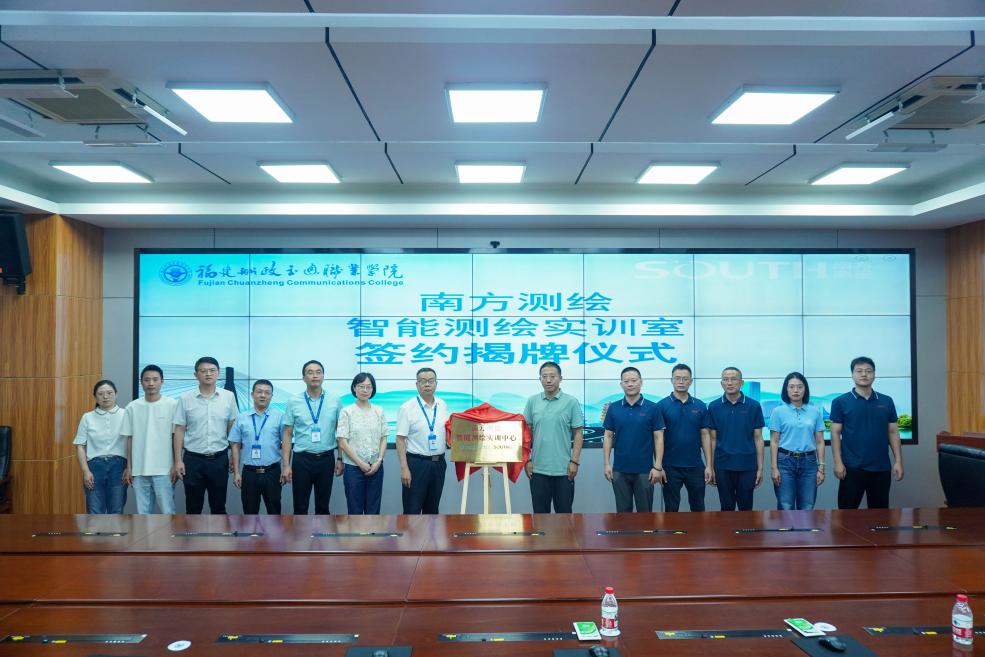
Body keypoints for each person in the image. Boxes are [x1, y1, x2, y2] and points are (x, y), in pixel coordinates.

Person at [830, 356, 903, 509]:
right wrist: (838, 462)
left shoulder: (886, 401)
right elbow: (835, 434)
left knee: (880, 514)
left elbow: (893, 432)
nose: (864, 374)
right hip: (852, 467)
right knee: (846, 514)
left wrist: (898, 461)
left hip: (881, 467)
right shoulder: (840, 402)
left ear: (874, 374)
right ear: (852, 374)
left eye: (869, 371)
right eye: (859, 371)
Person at [172, 356, 239, 514]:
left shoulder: (228, 397)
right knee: (193, 508)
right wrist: (178, 460)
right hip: (193, 460)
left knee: (219, 507)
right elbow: (179, 430)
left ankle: (220, 532)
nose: (208, 374)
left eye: (212, 370)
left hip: (219, 459)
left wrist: (233, 456)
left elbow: (232, 429)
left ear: (218, 373)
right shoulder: (185, 399)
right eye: (203, 371)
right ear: (196, 374)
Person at [281, 360, 342, 515]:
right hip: (302, 460)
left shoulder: (335, 400)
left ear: (323, 376)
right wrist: (286, 465)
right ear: (304, 378)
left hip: (326, 459)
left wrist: (340, 458)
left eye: (318, 372)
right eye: (310, 372)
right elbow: (287, 433)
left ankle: (322, 532)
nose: (315, 376)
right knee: (300, 508)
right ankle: (300, 532)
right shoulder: (294, 401)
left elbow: (340, 432)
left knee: (323, 507)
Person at [523, 361, 584, 513]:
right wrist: (527, 460)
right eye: (544, 377)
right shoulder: (532, 401)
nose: (548, 380)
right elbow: (525, 433)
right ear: (540, 379)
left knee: (564, 516)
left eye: (552, 376)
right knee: (540, 516)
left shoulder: (571, 402)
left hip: (564, 469)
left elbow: (578, 433)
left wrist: (574, 461)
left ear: (560, 378)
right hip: (538, 469)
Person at [602, 367, 665, 512]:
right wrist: (606, 464)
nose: (630, 384)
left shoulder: (652, 408)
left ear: (641, 382)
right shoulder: (614, 408)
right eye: (626, 381)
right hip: (620, 470)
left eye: (634, 380)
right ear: (621, 384)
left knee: (645, 514)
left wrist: (658, 466)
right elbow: (608, 436)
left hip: (645, 471)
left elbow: (658, 438)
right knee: (623, 514)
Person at [655, 363, 713, 512]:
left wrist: (708, 465)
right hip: (670, 467)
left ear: (691, 381)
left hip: (695, 466)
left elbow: (705, 435)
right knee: (671, 509)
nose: (681, 382)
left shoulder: (700, 405)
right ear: (671, 380)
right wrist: (658, 466)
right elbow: (657, 438)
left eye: (685, 379)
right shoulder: (661, 406)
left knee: (698, 507)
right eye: (677, 378)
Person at [122, 364, 178, 514]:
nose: (151, 383)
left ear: (162, 381)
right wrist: (129, 467)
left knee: (168, 512)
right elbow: (129, 438)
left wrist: (175, 463)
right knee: (143, 514)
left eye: (155, 379)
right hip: (139, 470)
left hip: (165, 470)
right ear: (141, 382)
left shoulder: (172, 405)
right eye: (147, 380)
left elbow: (176, 438)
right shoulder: (132, 407)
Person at [707, 366, 765, 511]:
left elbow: (758, 438)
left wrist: (760, 468)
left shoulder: (753, 406)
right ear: (721, 383)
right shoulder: (714, 407)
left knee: (746, 508)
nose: (729, 383)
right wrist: (711, 466)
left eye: (733, 379)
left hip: (747, 465)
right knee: (726, 508)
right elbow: (712, 439)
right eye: (726, 379)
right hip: (722, 465)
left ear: (741, 382)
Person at [769, 372, 825, 510]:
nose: (796, 390)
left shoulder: (815, 411)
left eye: (800, 387)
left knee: (807, 505)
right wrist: (774, 468)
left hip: (809, 462)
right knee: (785, 505)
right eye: (792, 387)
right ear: (786, 389)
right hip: (785, 462)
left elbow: (819, 441)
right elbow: (774, 441)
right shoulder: (778, 411)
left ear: (805, 389)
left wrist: (821, 467)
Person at [396, 368, 448, 514]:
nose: (427, 384)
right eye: (423, 381)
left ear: (436, 383)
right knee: (412, 510)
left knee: (432, 511)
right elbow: (400, 439)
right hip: (416, 465)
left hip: (438, 464)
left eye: (431, 381)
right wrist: (404, 468)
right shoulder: (407, 408)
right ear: (417, 384)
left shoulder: (442, 405)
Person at [229, 379, 284, 515]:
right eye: (259, 392)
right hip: (249, 473)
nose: (263, 395)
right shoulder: (241, 417)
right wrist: (237, 472)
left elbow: (287, 443)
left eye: (267, 392)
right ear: (252, 394)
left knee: (274, 513)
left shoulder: (280, 417)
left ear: (271, 396)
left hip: (272, 472)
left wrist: (285, 468)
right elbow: (235, 445)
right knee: (249, 514)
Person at [337, 372, 388, 515]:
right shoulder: (347, 412)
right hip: (354, 468)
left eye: (369, 387)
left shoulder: (379, 411)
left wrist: (379, 461)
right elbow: (342, 441)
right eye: (361, 386)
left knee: (373, 510)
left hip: (376, 467)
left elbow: (384, 437)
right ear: (354, 388)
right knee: (355, 510)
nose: (365, 390)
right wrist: (360, 463)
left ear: (373, 389)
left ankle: (372, 532)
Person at [73, 379, 127, 514]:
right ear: (95, 396)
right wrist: (86, 471)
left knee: (116, 509)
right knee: (94, 510)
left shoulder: (126, 414)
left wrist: (129, 468)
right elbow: (80, 446)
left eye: (109, 393)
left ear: (116, 394)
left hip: (119, 466)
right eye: (101, 393)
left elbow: (132, 443)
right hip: (94, 467)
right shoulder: (87, 417)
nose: (105, 396)